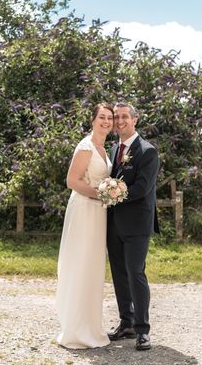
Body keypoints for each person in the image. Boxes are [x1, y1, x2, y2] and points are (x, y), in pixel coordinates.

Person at [56, 103, 114, 349]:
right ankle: (76, 331)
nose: (106, 122)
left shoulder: (103, 148)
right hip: (84, 209)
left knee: (92, 266)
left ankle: (90, 326)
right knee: (80, 263)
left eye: (109, 118)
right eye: (102, 117)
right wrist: (100, 195)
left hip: (98, 213)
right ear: (92, 120)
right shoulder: (85, 146)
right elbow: (72, 181)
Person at [106, 101, 160, 351]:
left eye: (125, 116)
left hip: (137, 224)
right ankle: (126, 322)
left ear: (135, 120)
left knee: (135, 273)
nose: (120, 121)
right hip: (113, 223)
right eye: (117, 117)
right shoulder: (115, 147)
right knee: (119, 273)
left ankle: (142, 330)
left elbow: (142, 188)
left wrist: (113, 193)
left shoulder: (147, 151)